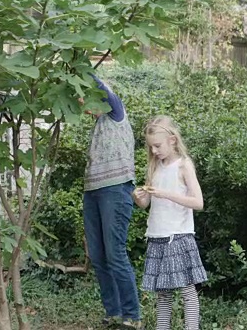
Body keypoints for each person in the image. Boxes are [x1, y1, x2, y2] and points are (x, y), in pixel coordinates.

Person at [133, 115, 207, 330]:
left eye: (157, 146)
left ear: (172, 140)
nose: (154, 151)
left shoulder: (184, 165)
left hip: (178, 236)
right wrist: (139, 198)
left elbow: (198, 202)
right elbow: (146, 203)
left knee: (187, 290)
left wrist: (167, 194)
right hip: (157, 236)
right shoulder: (154, 166)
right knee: (162, 293)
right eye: (151, 147)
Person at [81, 75, 142, 329]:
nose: (86, 105)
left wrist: (81, 68)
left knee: (115, 254)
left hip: (115, 190)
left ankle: (132, 316)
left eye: (89, 100)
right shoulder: (98, 125)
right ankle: (114, 311)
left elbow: (102, 88)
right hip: (93, 192)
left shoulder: (117, 113)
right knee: (98, 255)